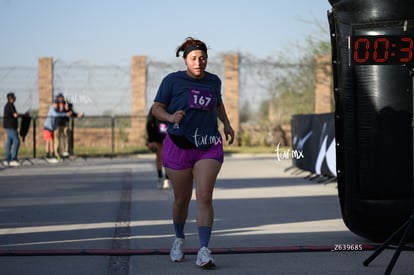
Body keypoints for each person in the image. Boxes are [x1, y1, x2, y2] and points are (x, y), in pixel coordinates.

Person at [151, 37, 235, 269]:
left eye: (202, 58)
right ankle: (179, 239)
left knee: (205, 196)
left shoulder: (213, 81)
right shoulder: (172, 81)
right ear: (186, 59)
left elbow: (218, 104)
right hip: (178, 144)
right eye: (194, 58)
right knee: (181, 199)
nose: (199, 62)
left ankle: (204, 250)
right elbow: (156, 108)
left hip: (207, 144)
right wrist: (170, 117)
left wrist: (226, 124)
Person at [146, 106, 170, 189]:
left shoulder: (172, 105)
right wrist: (151, 140)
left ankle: (167, 179)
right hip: (157, 137)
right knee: (159, 157)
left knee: (168, 158)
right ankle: (160, 177)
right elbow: (149, 124)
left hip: (169, 136)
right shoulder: (155, 107)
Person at [54, 94, 83, 159]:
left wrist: (77, 115)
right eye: (60, 98)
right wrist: (65, 113)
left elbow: (71, 113)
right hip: (57, 124)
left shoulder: (66, 105)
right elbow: (56, 113)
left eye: (62, 98)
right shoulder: (56, 104)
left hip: (65, 124)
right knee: (57, 139)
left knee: (66, 137)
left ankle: (66, 152)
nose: (61, 99)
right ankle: (57, 154)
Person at [3, 93, 24, 166]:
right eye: (14, 97)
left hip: (8, 127)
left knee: (9, 142)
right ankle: (13, 158)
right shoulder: (10, 105)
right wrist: (23, 115)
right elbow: (15, 115)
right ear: (11, 98)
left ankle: (7, 159)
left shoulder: (7, 105)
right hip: (11, 127)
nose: (15, 98)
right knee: (16, 141)